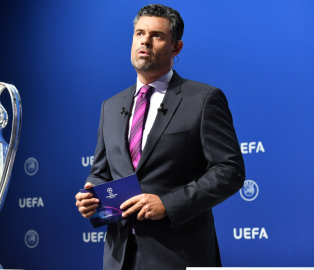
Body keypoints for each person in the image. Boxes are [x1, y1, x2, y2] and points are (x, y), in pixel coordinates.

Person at [75, 4, 245, 270]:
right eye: (139, 33)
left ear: (176, 47)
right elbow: (101, 173)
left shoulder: (203, 100)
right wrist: (92, 198)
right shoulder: (110, 105)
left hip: (179, 254)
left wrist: (168, 204)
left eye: (157, 35)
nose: (144, 40)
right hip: (120, 256)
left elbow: (230, 171)